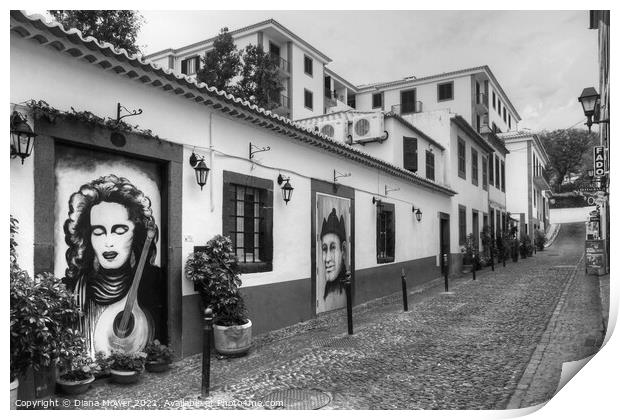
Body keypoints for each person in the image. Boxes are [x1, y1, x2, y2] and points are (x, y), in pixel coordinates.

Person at [63, 174, 166, 355]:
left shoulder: (152, 281)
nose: (108, 242)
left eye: (119, 230)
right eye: (98, 231)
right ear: (87, 237)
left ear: (137, 234)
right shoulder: (72, 288)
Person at [320, 208, 348, 301]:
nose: (327, 259)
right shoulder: (327, 289)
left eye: (333, 248)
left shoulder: (343, 287)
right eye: (324, 249)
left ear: (343, 249)